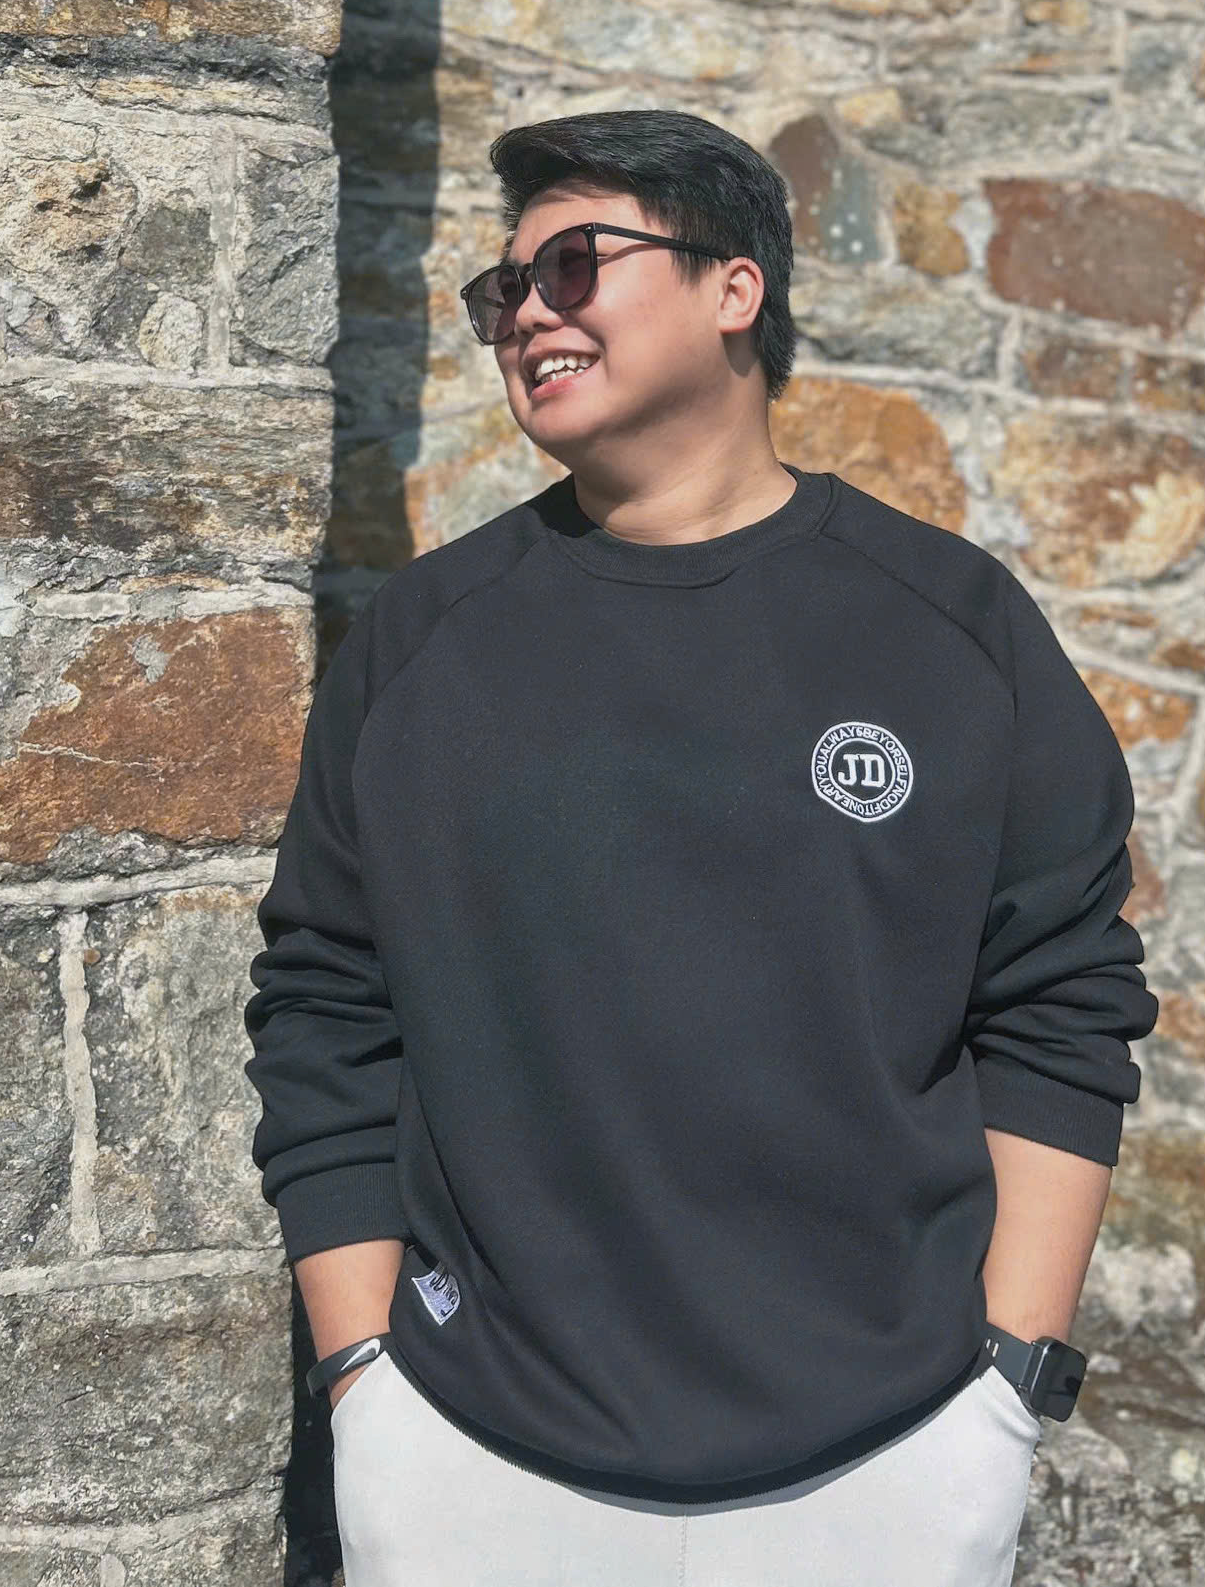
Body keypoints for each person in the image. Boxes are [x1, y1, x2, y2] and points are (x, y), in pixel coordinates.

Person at [244, 108, 1158, 1587]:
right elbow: (325, 1008)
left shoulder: (950, 629)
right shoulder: (423, 645)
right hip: (474, 1456)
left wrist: (1005, 1382)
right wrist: (365, 1377)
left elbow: (1063, 998)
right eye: (503, 289)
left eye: (574, 265)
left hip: (889, 1461)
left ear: (736, 287)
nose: (526, 311)